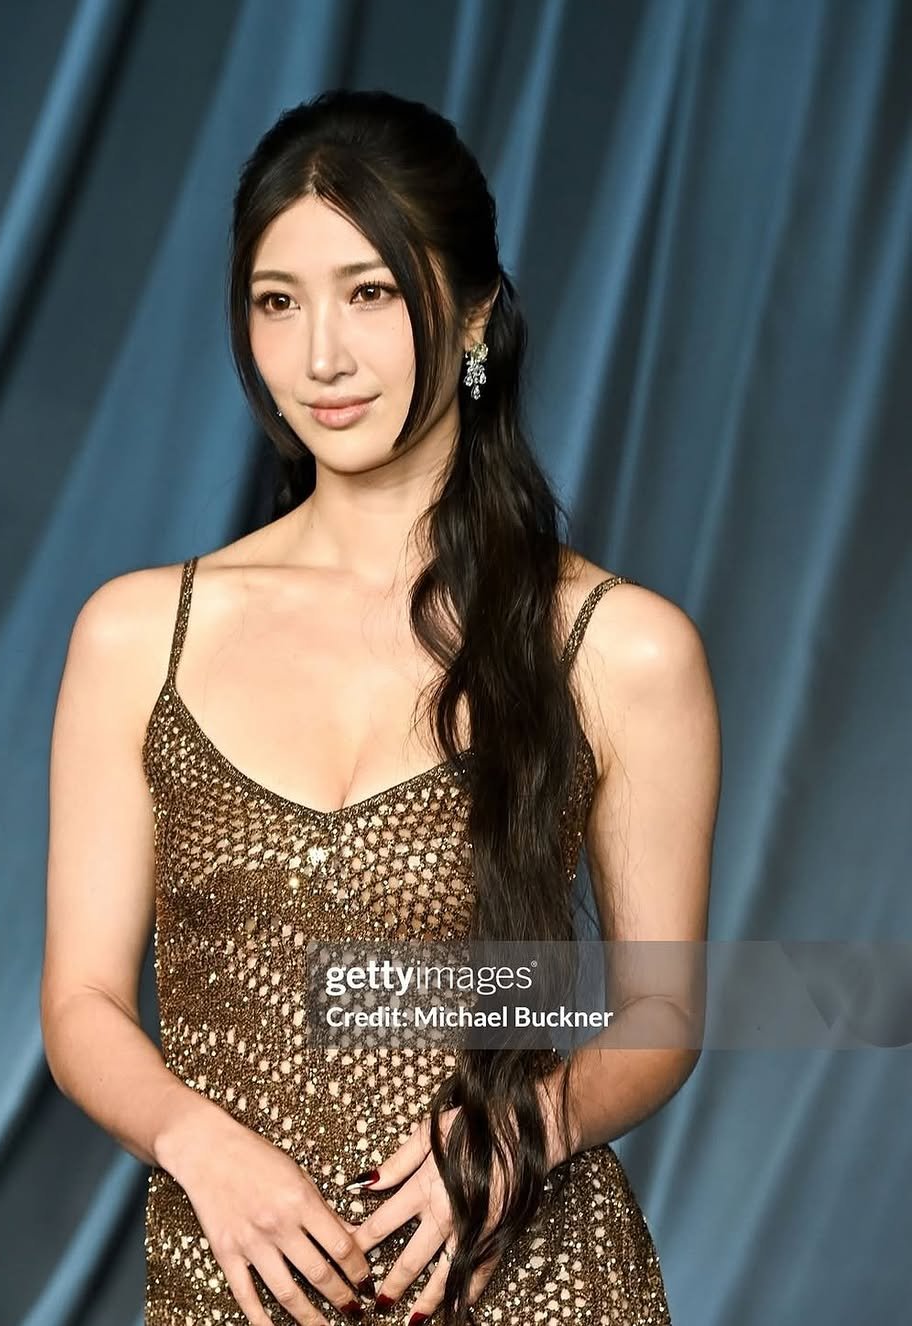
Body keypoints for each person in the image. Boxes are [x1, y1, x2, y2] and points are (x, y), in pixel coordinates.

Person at [41, 89, 720, 1326]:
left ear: (470, 311)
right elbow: (81, 1003)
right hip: (231, 1279)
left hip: (532, 1282)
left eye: (371, 293)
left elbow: (664, 1006)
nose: (322, 359)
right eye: (277, 302)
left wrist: (520, 1136)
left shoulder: (615, 647)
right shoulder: (141, 634)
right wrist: (200, 1146)